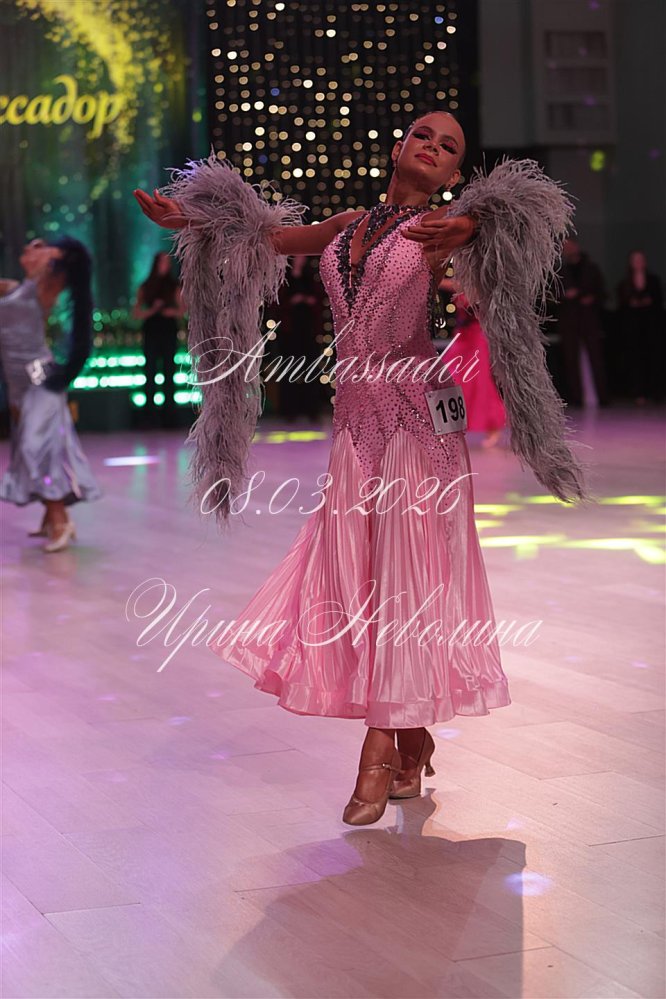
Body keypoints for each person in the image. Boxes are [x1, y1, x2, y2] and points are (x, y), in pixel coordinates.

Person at [134, 110, 588, 825]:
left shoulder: (443, 229)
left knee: (406, 585)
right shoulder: (350, 224)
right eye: (423, 136)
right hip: (355, 423)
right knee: (359, 582)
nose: (432, 147)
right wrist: (188, 220)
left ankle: (378, 755)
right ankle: (413, 738)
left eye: (449, 147)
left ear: (455, 173)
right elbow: (268, 240)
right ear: (398, 147)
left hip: (415, 424)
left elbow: (522, 219)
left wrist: (471, 224)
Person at [0, 237, 102, 551]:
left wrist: (57, 256)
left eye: (39, 246)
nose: (30, 246)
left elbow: (79, 262)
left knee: (35, 447)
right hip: (17, 386)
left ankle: (60, 520)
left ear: (51, 260)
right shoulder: (14, 288)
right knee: (36, 448)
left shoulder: (44, 288)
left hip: (40, 381)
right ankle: (50, 517)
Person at [440, 280, 506, 448]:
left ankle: (493, 424)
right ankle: (449, 428)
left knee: (478, 383)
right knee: (447, 379)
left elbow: (469, 294)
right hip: (462, 337)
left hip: (477, 338)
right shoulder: (463, 281)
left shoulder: (480, 283)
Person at [269, 254, 326, 422]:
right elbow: (277, 302)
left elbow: (320, 299)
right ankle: (289, 410)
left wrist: (308, 300)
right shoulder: (284, 277)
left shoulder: (311, 277)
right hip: (290, 330)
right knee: (289, 369)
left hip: (308, 329)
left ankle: (311, 409)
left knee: (311, 369)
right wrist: (292, 301)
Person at [132, 251, 184, 427]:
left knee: (169, 373)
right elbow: (136, 312)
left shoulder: (174, 285)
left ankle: (169, 416)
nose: (165, 265)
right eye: (162, 262)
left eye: (167, 262)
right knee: (150, 373)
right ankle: (150, 416)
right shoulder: (146, 286)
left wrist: (170, 312)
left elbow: (182, 310)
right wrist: (152, 310)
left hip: (168, 332)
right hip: (151, 332)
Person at [556, 238, 609, 407]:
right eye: (565, 247)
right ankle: (576, 398)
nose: (568, 249)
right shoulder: (560, 271)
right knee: (571, 360)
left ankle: (603, 397)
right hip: (569, 320)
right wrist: (565, 296)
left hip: (589, 319)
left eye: (570, 246)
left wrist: (590, 298)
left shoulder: (591, 268)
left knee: (596, 358)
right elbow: (552, 295)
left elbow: (602, 292)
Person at [616, 251, 664, 405]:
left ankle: (655, 391)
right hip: (633, 327)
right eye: (635, 260)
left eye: (640, 260)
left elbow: (658, 301)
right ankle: (638, 392)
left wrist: (647, 302)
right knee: (636, 359)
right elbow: (622, 304)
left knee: (654, 358)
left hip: (651, 325)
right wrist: (633, 303)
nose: (638, 263)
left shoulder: (653, 280)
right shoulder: (625, 282)